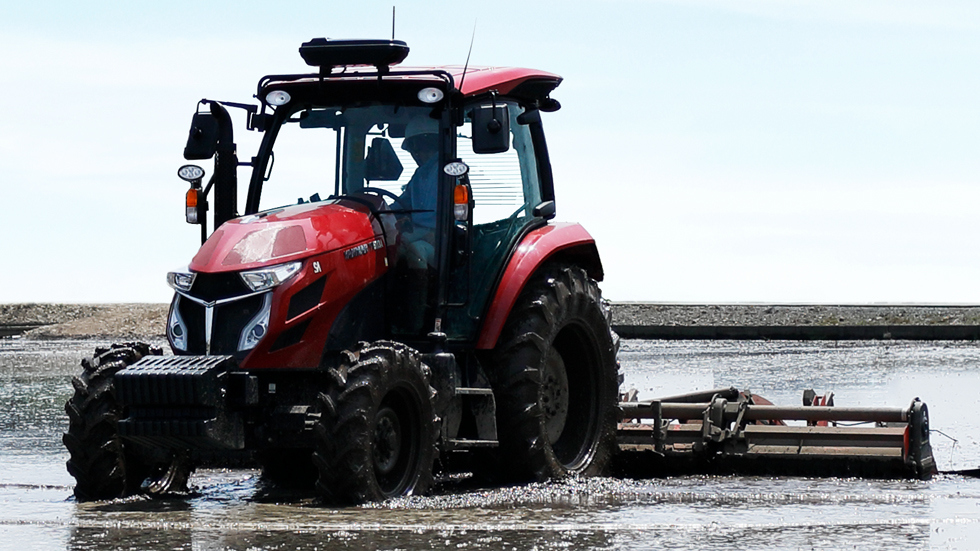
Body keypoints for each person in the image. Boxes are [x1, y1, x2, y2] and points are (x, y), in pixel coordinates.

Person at [396, 117, 440, 269]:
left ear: (432, 145)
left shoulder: (449, 172)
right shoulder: (419, 175)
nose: (416, 154)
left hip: (438, 234)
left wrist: (438, 234)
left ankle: (419, 285)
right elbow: (402, 203)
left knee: (412, 249)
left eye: (419, 148)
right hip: (418, 230)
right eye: (413, 150)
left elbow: (459, 212)